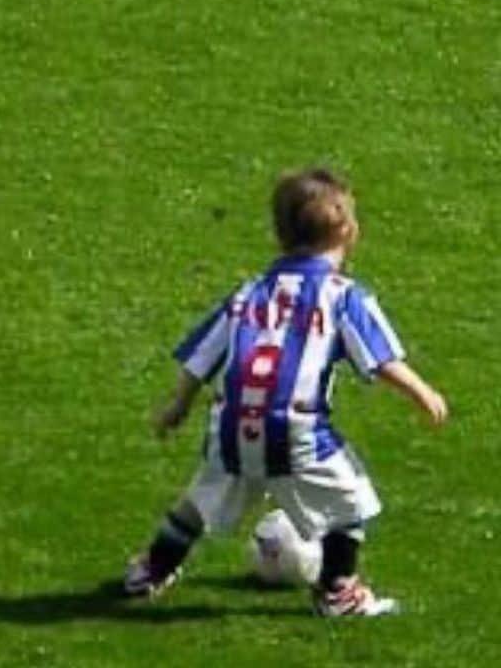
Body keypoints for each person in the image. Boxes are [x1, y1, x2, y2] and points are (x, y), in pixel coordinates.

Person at [123, 167, 447, 617]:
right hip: (295, 429)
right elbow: (381, 358)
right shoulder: (340, 294)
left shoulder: (248, 292)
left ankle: (150, 570)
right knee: (350, 499)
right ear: (350, 231)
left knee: (199, 501)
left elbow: (203, 354)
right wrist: (422, 393)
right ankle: (338, 592)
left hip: (232, 425)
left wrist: (178, 404)